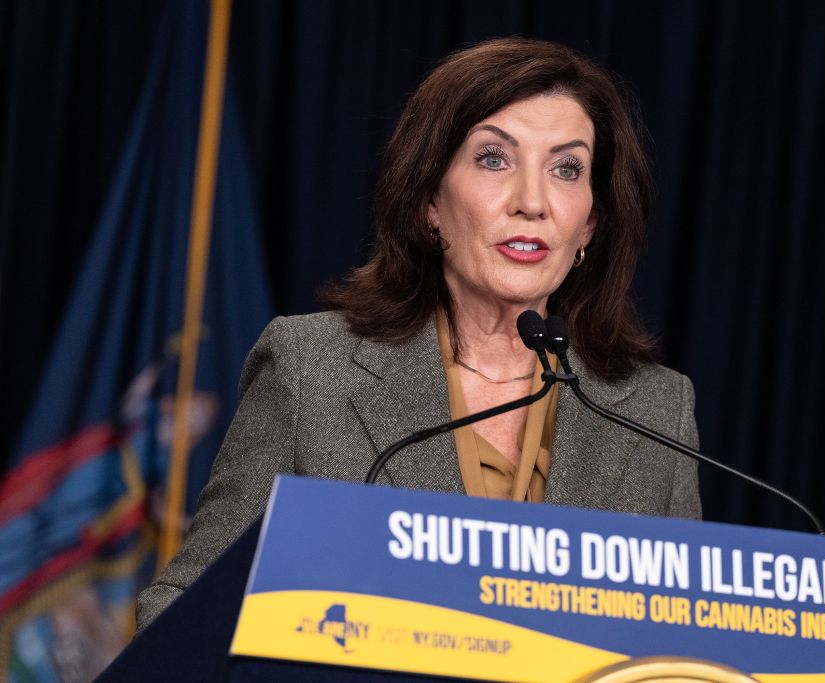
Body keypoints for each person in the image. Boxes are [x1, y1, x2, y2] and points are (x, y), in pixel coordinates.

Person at [136, 36, 700, 632]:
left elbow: (687, 645)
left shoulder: (658, 412)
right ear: (430, 197)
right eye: (493, 158)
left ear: (589, 220)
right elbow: (181, 611)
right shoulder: (310, 370)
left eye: (566, 169)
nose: (532, 202)